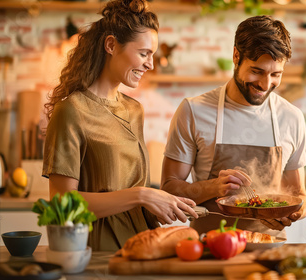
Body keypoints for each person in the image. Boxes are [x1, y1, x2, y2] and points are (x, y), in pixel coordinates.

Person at [42, 0, 197, 251]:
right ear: (111, 45)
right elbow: (62, 202)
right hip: (97, 252)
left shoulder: (134, 110)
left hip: (142, 247)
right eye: (144, 53)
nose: (151, 64)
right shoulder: (71, 111)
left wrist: (159, 204)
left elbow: (129, 192)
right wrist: (143, 195)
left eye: (153, 55)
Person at [161, 15, 306, 237]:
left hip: (268, 253)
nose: (265, 85)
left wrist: (290, 214)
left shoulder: (291, 117)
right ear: (236, 56)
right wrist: (213, 187)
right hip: (208, 249)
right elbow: (169, 188)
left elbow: (299, 195)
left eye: (276, 74)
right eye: (256, 71)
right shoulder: (194, 111)